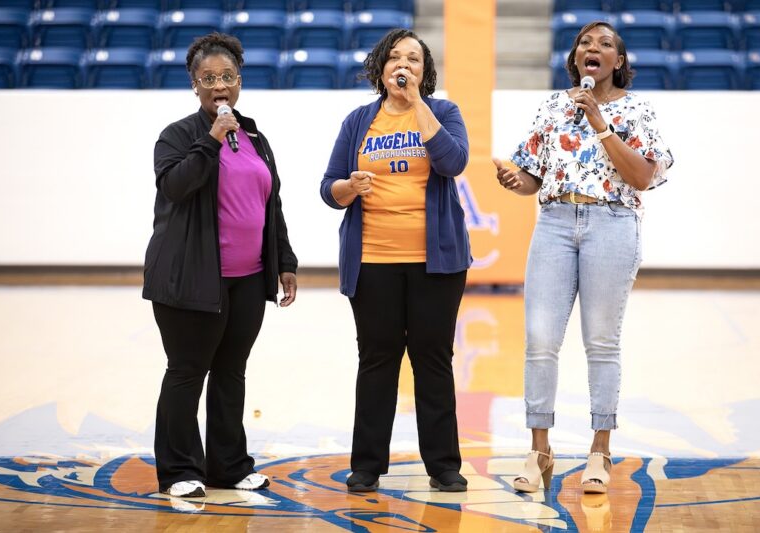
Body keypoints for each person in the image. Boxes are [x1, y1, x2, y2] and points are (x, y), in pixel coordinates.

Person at [493, 21, 673, 494]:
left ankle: (600, 450)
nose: (593, 49)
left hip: (612, 224)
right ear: (576, 59)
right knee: (539, 339)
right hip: (553, 223)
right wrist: (518, 182)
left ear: (618, 62)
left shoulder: (638, 110)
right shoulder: (553, 106)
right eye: (585, 44)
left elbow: (640, 176)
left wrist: (600, 123)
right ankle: (538, 451)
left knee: (601, 342)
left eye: (606, 45)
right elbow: (533, 174)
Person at [143, 32, 298, 498]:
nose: (219, 87)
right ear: (194, 84)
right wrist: (211, 140)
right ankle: (178, 471)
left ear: (239, 81)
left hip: (248, 279)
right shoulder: (177, 136)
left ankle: (228, 465)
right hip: (190, 281)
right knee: (187, 371)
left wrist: (284, 260)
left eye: (227, 77)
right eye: (208, 78)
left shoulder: (254, 136)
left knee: (232, 372)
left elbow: (271, 203)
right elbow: (177, 186)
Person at [320, 29, 472, 493]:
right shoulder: (358, 120)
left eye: (414, 61)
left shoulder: (443, 112)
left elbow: (453, 162)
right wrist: (349, 188)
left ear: (424, 74)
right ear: (380, 67)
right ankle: (367, 465)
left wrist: (419, 105)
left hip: (437, 262)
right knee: (377, 359)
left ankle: (443, 465)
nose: (402, 65)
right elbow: (330, 188)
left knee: (433, 359)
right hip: (372, 260)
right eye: (394, 58)